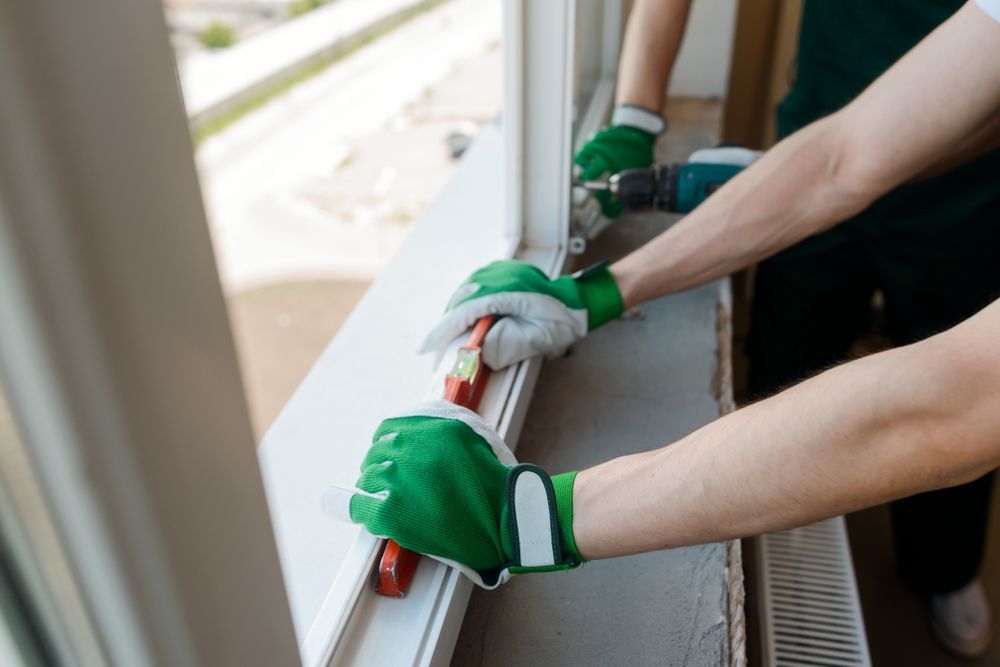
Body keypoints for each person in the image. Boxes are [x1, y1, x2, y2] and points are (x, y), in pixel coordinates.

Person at [324, 0, 1000, 657]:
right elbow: (841, 156)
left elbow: (956, 403)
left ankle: (942, 571)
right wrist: (594, 293)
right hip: (850, 105)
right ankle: (792, 511)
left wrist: (536, 517)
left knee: (943, 432)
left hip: (971, 209)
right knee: (789, 356)